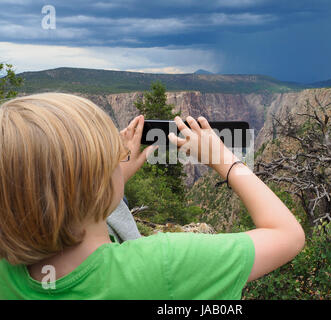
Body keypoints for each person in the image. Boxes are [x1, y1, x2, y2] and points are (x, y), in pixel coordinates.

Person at [0, 93, 305, 299]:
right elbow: (288, 236)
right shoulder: (165, 265)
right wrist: (224, 160)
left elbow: (54, 202)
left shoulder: (7, 273)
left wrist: (112, 178)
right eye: (110, 159)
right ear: (98, 183)